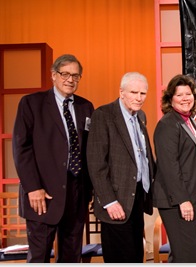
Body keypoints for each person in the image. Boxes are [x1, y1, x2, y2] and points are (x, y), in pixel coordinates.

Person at [12, 54, 94, 263]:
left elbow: (90, 151)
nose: (70, 80)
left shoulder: (86, 107)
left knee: (71, 256)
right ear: (53, 75)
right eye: (65, 74)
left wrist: (90, 191)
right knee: (39, 256)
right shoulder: (32, 103)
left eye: (76, 76)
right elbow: (21, 148)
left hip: (76, 194)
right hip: (42, 195)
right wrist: (32, 188)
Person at [86, 72, 154, 263]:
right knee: (119, 258)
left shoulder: (141, 116)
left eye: (143, 93)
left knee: (135, 255)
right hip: (115, 201)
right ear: (121, 92)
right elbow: (96, 162)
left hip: (137, 196)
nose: (139, 98)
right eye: (134, 92)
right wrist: (109, 201)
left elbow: (144, 156)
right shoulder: (103, 115)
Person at [153, 74, 196, 263]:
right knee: (189, 256)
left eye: (188, 93)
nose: (185, 98)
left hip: (189, 197)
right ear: (170, 99)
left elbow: (195, 160)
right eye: (179, 95)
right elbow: (169, 165)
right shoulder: (168, 124)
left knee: (182, 254)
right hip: (176, 201)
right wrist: (183, 200)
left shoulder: (189, 121)